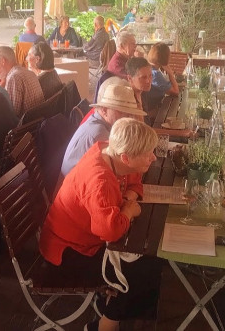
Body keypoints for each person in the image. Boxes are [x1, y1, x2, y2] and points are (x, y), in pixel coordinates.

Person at [40, 118, 162, 331]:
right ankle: (104, 326)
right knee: (140, 270)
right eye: (148, 154)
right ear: (126, 157)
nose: (154, 157)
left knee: (148, 263)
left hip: (86, 240)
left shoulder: (109, 152)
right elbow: (111, 232)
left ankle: (114, 312)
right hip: (69, 253)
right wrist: (128, 211)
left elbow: (135, 180)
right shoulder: (99, 181)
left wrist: (129, 198)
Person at [61, 83, 146, 176]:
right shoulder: (100, 133)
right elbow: (120, 166)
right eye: (122, 112)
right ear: (104, 110)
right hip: (79, 182)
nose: (128, 117)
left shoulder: (100, 120)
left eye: (130, 114)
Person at [0, 46, 44, 116]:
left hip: (27, 122)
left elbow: (12, 114)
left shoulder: (14, 77)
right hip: (37, 119)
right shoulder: (28, 72)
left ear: (2, 61)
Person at [145, 42, 179, 109]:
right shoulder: (155, 74)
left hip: (155, 104)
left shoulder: (150, 68)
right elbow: (176, 92)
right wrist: (170, 73)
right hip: (154, 109)